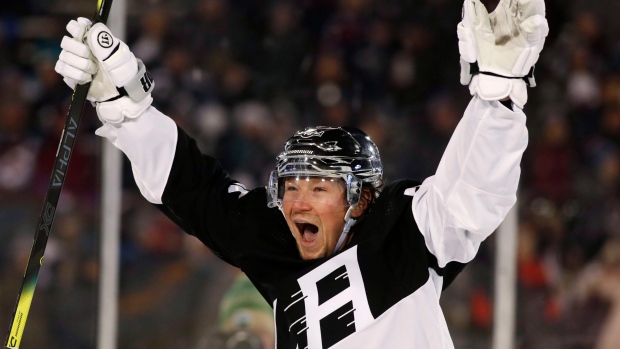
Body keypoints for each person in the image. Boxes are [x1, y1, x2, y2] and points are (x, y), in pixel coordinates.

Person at [54, 0, 549, 347]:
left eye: (318, 186)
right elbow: (195, 192)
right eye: (291, 187)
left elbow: (470, 199)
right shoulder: (275, 244)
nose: (298, 202)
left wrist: (497, 100)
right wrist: (128, 112)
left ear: (360, 199)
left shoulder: (404, 233)